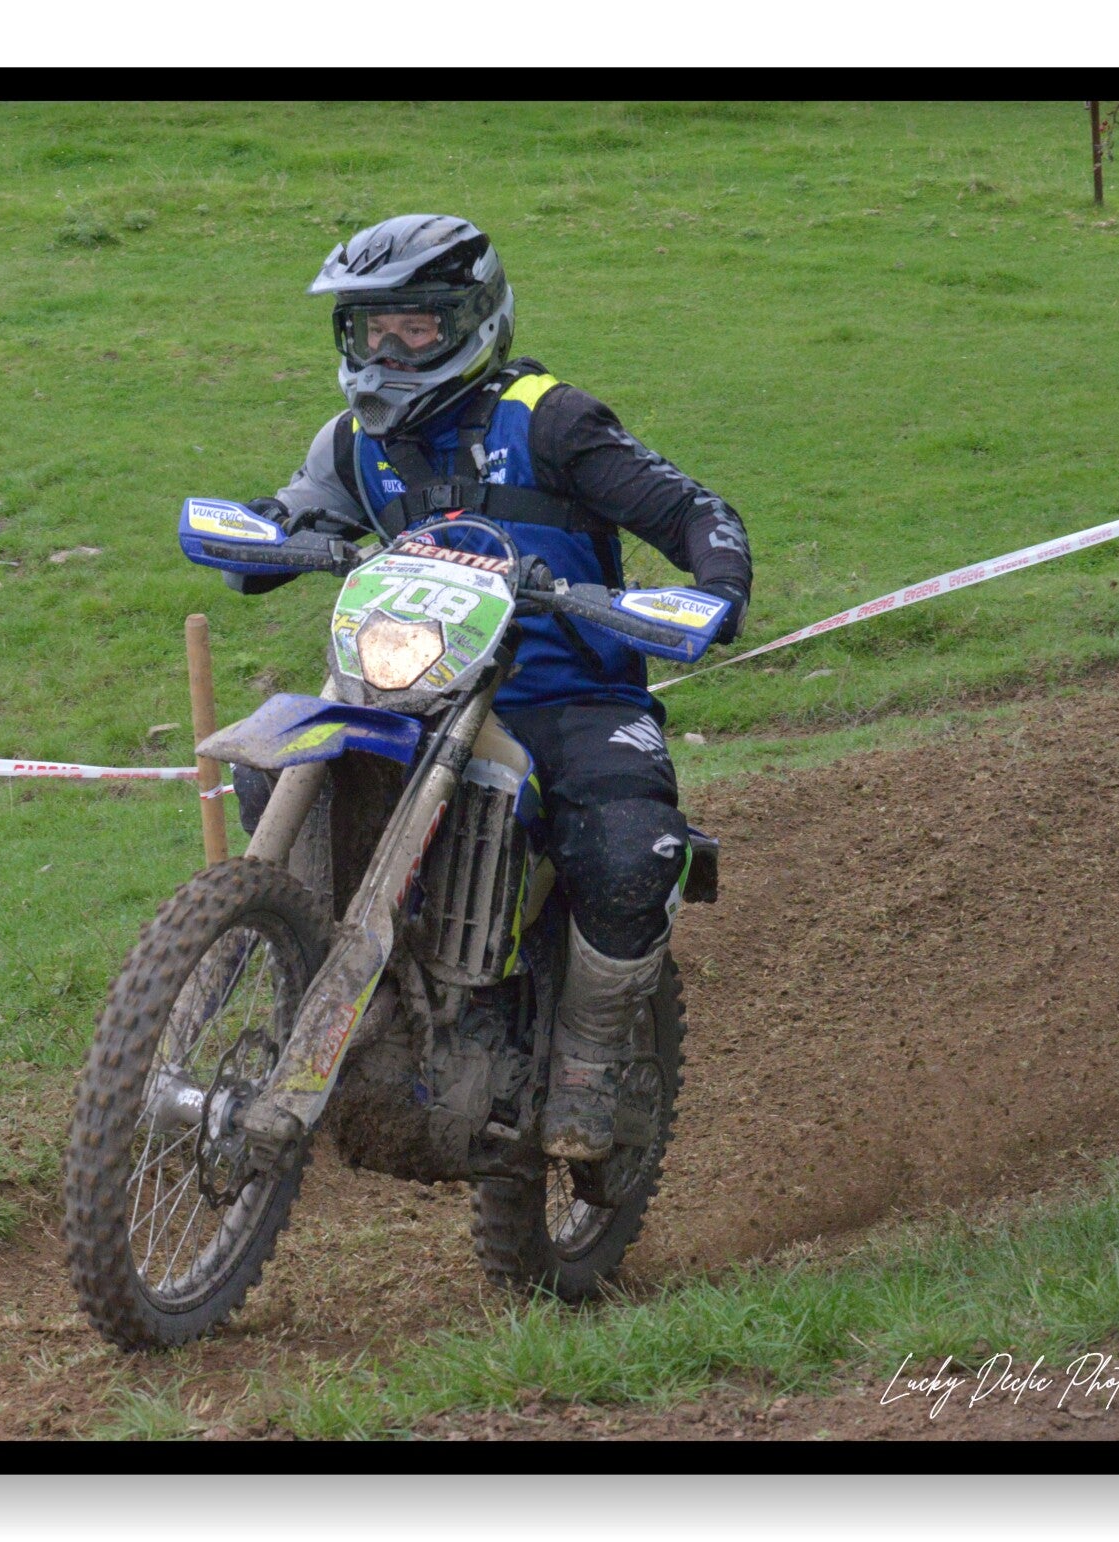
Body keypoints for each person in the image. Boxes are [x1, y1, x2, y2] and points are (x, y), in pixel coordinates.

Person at [229, 214, 754, 1163]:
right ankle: (317, 986)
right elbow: (295, 513)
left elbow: (692, 510)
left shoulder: (551, 420)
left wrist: (715, 589)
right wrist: (259, 532)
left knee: (631, 847)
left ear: (474, 321)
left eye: (415, 328)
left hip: (565, 695)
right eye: (370, 331)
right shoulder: (353, 442)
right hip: (410, 691)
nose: (388, 353)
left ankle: (591, 1060)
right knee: (272, 764)